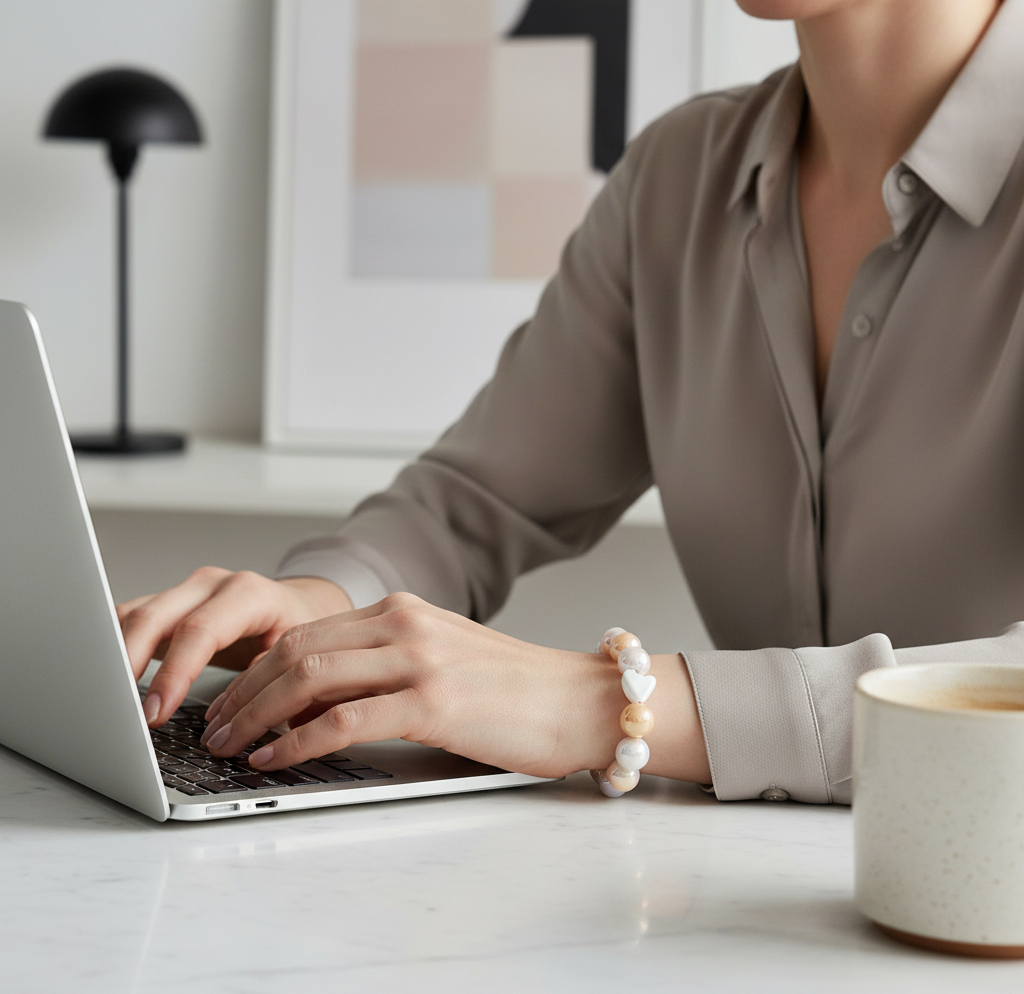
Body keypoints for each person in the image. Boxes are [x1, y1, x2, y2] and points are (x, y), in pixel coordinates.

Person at [120, 0, 1024, 804]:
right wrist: (324, 609)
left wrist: (608, 702)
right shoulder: (681, 177)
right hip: (745, 917)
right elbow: (475, 505)